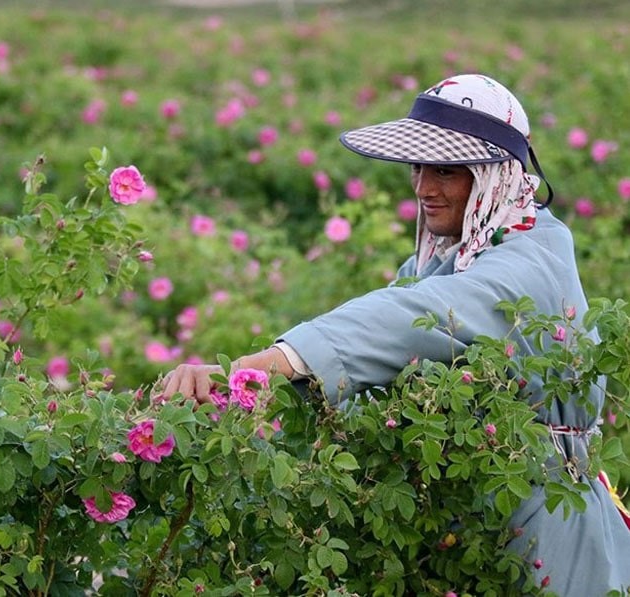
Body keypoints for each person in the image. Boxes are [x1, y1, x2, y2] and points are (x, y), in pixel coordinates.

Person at [161, 73, 630, 595]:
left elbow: (407, 316)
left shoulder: (529, 260)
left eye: (449, 171)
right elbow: (385, 353)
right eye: (419, 167)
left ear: (497, 176)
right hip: (471, 522)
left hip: (548, 525)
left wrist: (256, 367)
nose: (425, 188)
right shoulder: (451, 256)